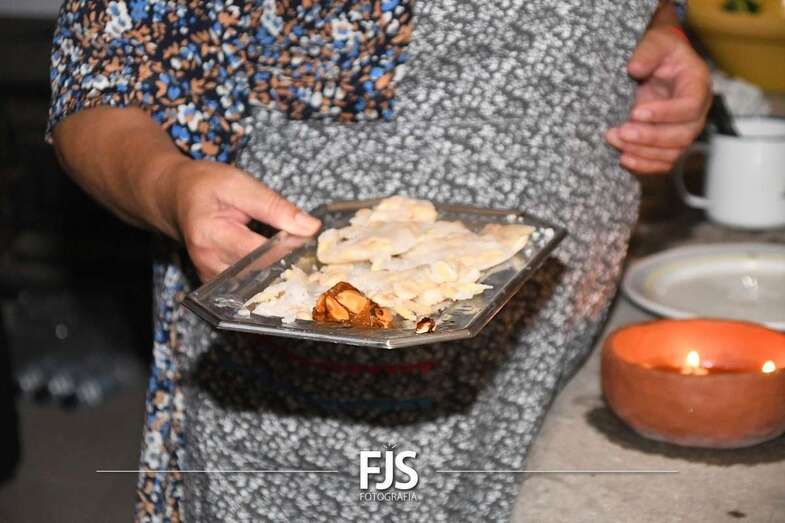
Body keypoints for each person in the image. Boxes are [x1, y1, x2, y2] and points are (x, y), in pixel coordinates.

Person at [48, 0, 710, 521]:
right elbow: (97, 91)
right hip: (341, 374)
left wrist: (654, 28)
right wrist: (170, 187)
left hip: (557, 333)